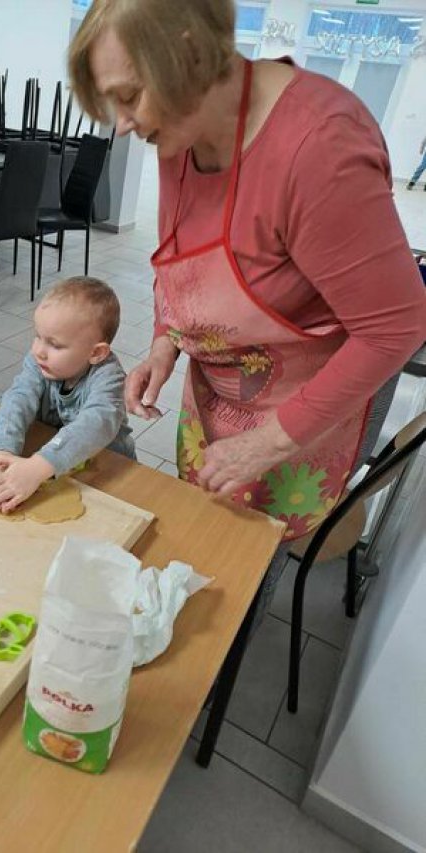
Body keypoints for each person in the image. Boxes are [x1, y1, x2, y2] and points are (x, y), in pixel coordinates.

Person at [69, 0, 426, 613]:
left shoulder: (319, 147)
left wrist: (268, 444)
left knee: (247, 571)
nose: (122, 125)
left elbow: (396, 329)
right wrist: (165, 341)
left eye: (129, 97)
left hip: (297, 422)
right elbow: (180, 256)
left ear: (187, 51)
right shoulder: (184, 128)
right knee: (207, 545)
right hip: (216, 400)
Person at [0, 276, 136, 513]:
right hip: (52, 462)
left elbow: (95, 425)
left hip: (107, 468)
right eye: (37, 336)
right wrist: (1, 452)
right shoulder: (40, 362)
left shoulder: (108, 377)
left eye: (55, 344)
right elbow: (17, 401)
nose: (39, 351)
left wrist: (39, 467)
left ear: (96, 353)